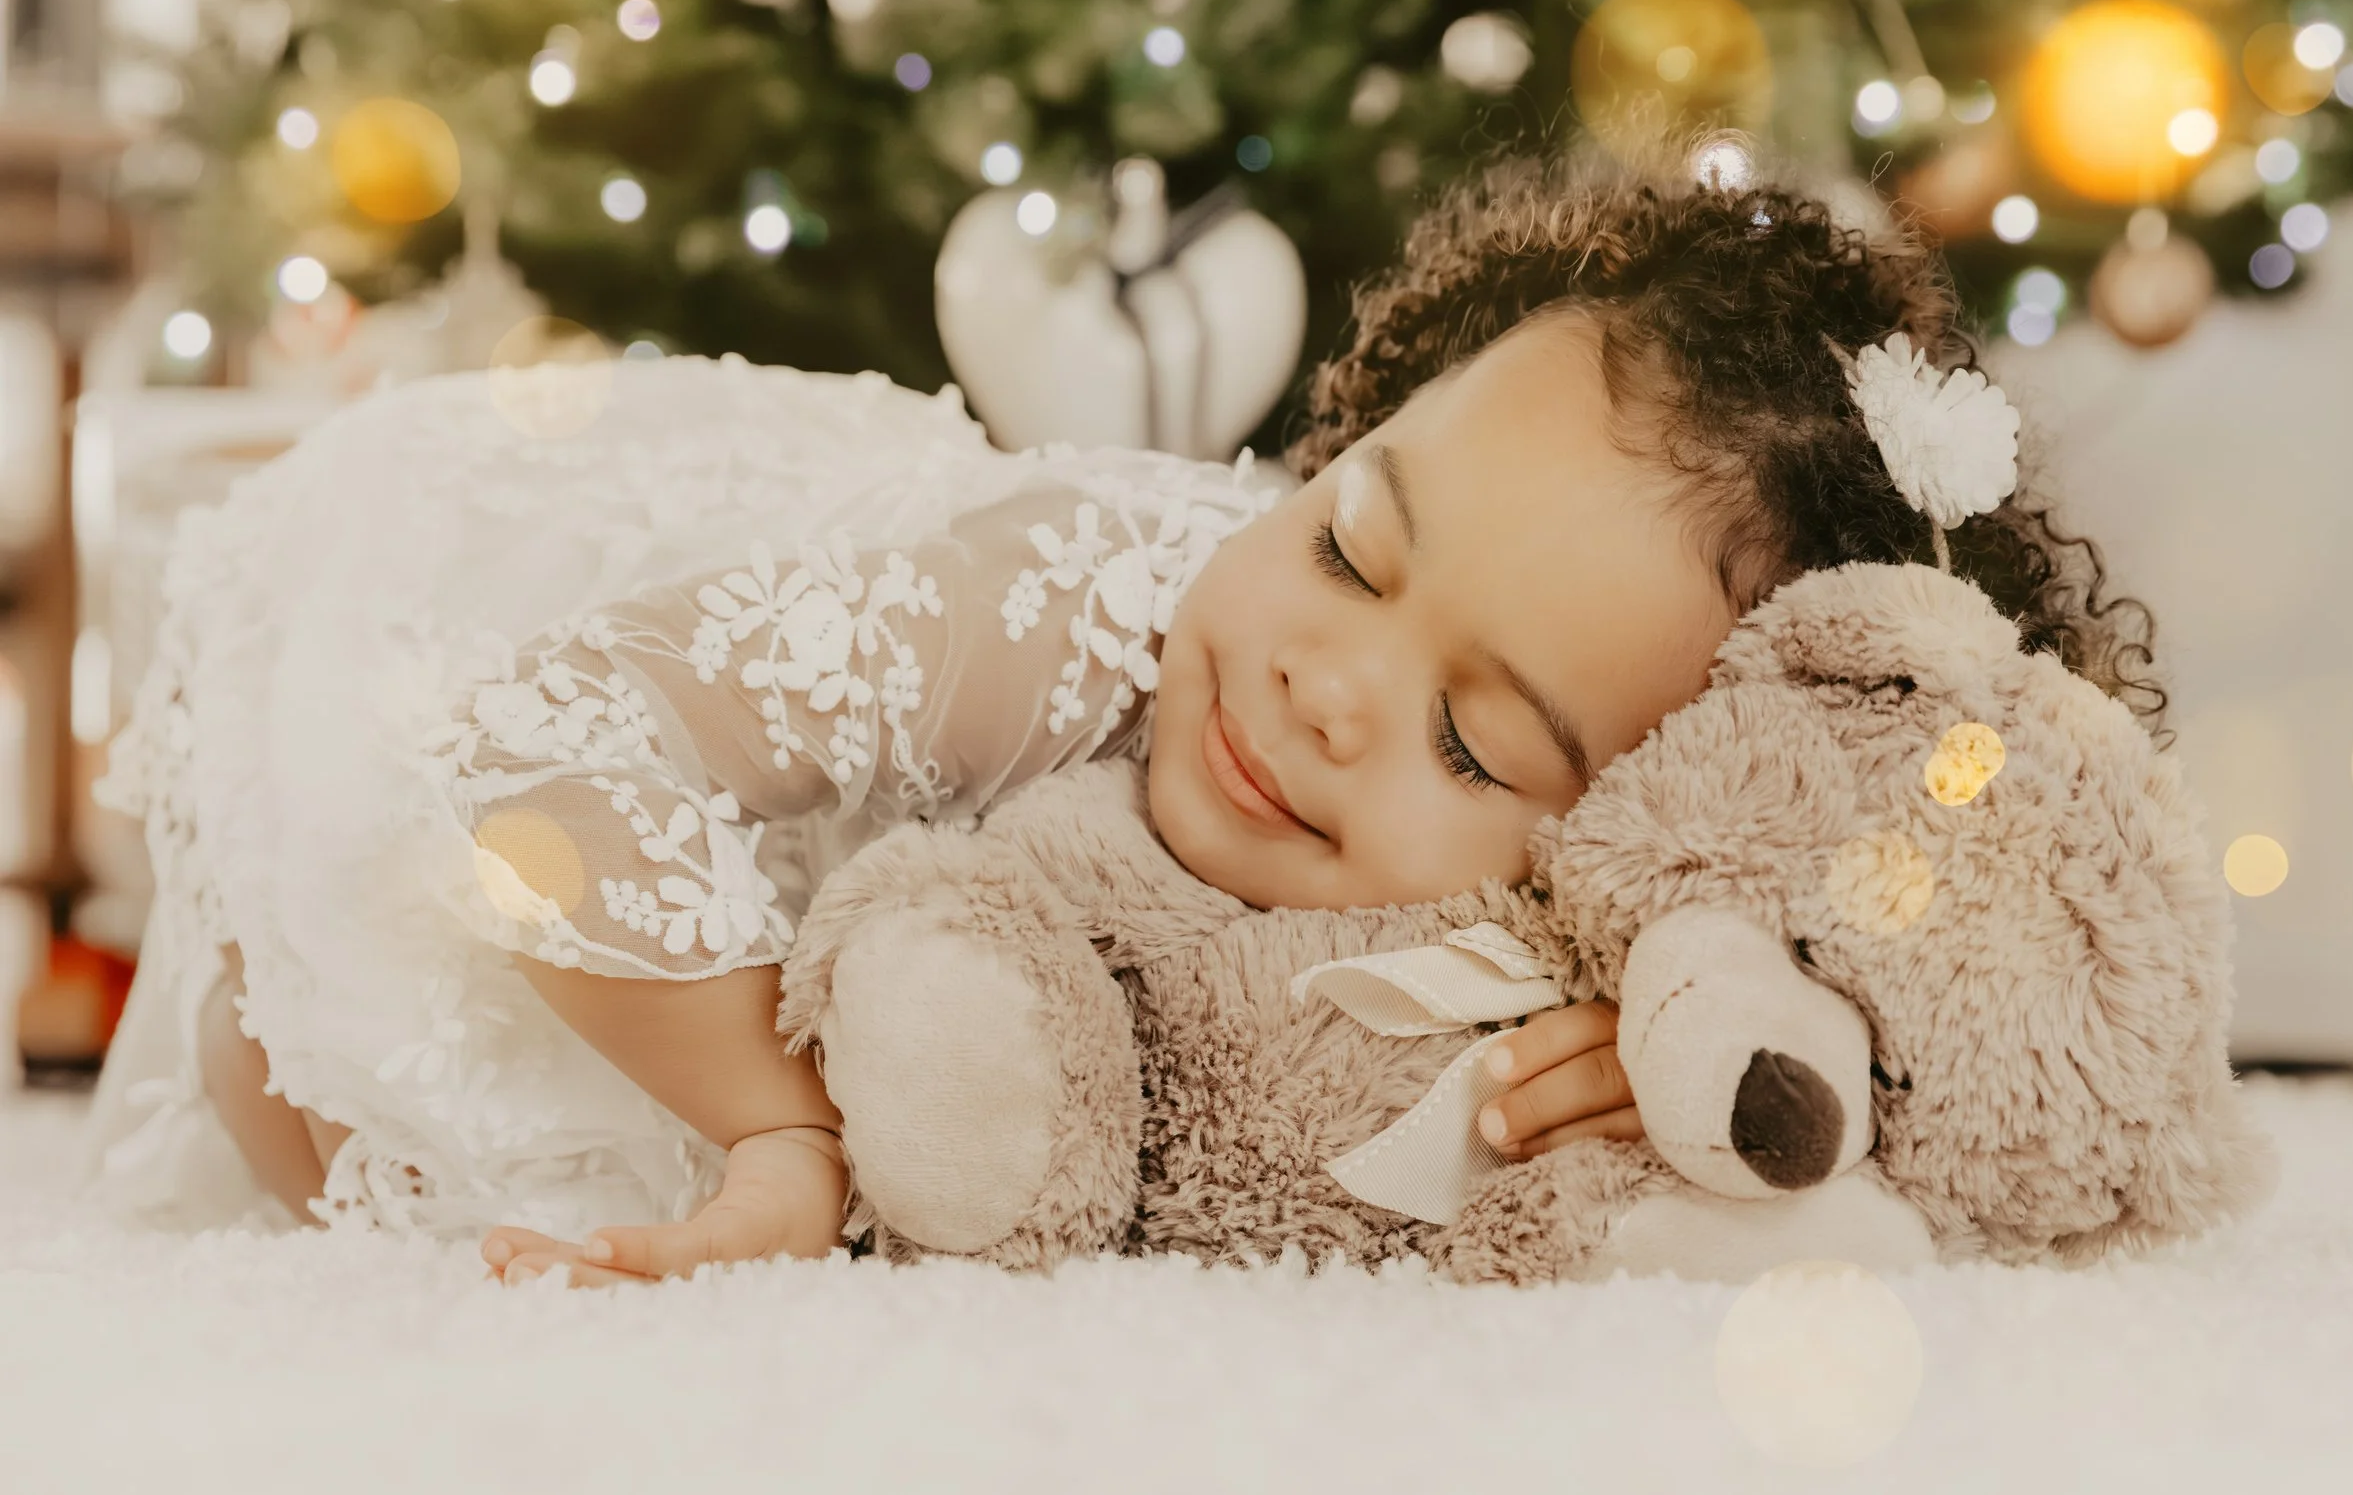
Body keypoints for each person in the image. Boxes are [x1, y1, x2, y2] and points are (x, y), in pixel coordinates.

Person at [88, 140, 2159, 1285]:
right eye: (1352, 541)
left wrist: (1645, 1043)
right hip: (532, 690)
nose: (1324, 684)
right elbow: (539, 741)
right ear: (1341, 444)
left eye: (1479, 748)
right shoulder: (1088, 590)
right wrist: (781, 1132)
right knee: (314, 1075)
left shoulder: (1597, 908)